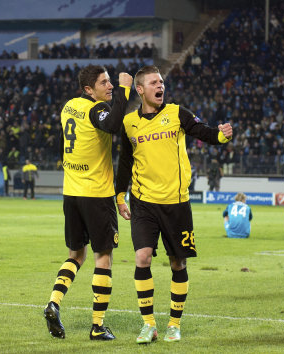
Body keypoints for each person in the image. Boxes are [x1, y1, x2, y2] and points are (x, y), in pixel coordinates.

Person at [115, 65, 232, 344]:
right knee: (142, 257)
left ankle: (174, 324)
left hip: (176, 203)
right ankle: (148, 325)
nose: (160, 86)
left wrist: (220, 135)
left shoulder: (177, 113)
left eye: (162, 82)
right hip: (144, 203)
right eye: (154, 82)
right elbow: (125, 162)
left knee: (177, 263)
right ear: (140, 89)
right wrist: (120, 195)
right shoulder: (129, 122)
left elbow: (202, 131)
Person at [43, 65, 133, 341]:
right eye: (104, 83)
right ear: (88, 89)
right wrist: (126, 90)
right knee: (103, 257)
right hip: (96, 194)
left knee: (76, 256)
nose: (110, 86)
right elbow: (114, 124)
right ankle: (97, 326)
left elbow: (61, 146)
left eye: (110, 82)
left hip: (71, 192)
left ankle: (53, 303)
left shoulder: (68, 107)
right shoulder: (96, 109)